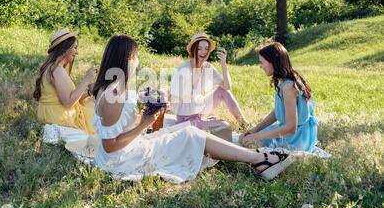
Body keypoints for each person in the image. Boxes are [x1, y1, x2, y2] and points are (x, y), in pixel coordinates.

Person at [91, 34, 292, 183]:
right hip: (122, 160)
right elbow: (111, 145)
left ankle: (255, 157)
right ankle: (258, 159)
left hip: (126, 150)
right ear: (126, 58)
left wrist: (143, 119)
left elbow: (118, 128)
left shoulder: (111, 88)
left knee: (182, 131)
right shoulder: (113, 95)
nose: (137, 61)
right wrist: (143, 124)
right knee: (190, 135)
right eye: (135, 56)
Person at [240, 42, 318, 152]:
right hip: (294, 134)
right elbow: (278, 111)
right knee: (244, 139)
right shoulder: (286, 82)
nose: (260, 66)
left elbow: (291, 128)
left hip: (296, 139)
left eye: (262, 62)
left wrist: (256, 136)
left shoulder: (288, 86)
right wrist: (255, 130)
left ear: (273, 62)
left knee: (247, 144)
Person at [170, 33, 248, 130]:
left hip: (199, 110)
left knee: (222, 90)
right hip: (186, 119)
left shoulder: (207, 67)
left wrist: (224, 65)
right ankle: (202, 123)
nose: (203, 52)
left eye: (206, 49)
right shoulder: (183, 69)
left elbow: (227, 87)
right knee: (223, 126)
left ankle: (244, 124)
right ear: (193, 50)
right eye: (199, 48)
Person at [34, 28, 97, 134]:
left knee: (91, 101)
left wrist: (90, 93)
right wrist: (86, 79)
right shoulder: (56, 70)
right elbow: (68, 102)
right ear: (65, 49)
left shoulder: (53, 68)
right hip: (57, 116)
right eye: (75, 48)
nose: (76, 52)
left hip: (52, 112)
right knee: (96, 110)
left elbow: (68, 97)